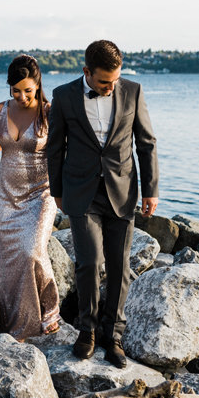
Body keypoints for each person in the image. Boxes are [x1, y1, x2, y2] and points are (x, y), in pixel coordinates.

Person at [47, 40, 159, 368]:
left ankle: (114, 337)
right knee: (88, 262)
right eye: (103, 82)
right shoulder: (63, 95)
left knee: (120, 267)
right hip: (81, 191)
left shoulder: (133, 91)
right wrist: (57, 190)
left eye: (115, 80)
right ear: (86, 72)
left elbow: (146, 143)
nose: (111, 87)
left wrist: (151, 190)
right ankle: (87, 332)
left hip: (123, 191)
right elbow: (55, 147)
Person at [0, 55, 60, 341]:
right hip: (5, 195)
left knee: (32, 250)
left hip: (40, 194)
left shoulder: (51, 112)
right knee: (11, 261)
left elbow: (62, 153)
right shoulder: (0, 110)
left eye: (27, 90)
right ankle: (16, 326)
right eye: (15, 90)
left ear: (38, 84)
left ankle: (49, 310)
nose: (21, 96)